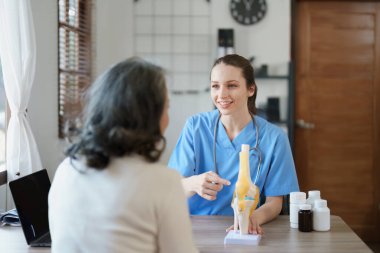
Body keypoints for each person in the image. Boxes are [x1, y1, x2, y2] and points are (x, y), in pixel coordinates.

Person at [49, 57, 198, 253]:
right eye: (166, 107)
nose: (167, 117)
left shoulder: (66, 169)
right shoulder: (163, 182)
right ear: (148, 115)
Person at [168, 54, 299, 235]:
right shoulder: (195, 127)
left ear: (250, 89)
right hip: (196, 228)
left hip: (244, 230)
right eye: (215, 86)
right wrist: (193, 183)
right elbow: (172, 188)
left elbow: (275, 202)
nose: (221, 95)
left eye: (232, 85)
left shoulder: (275, 138)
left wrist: (254, 218)